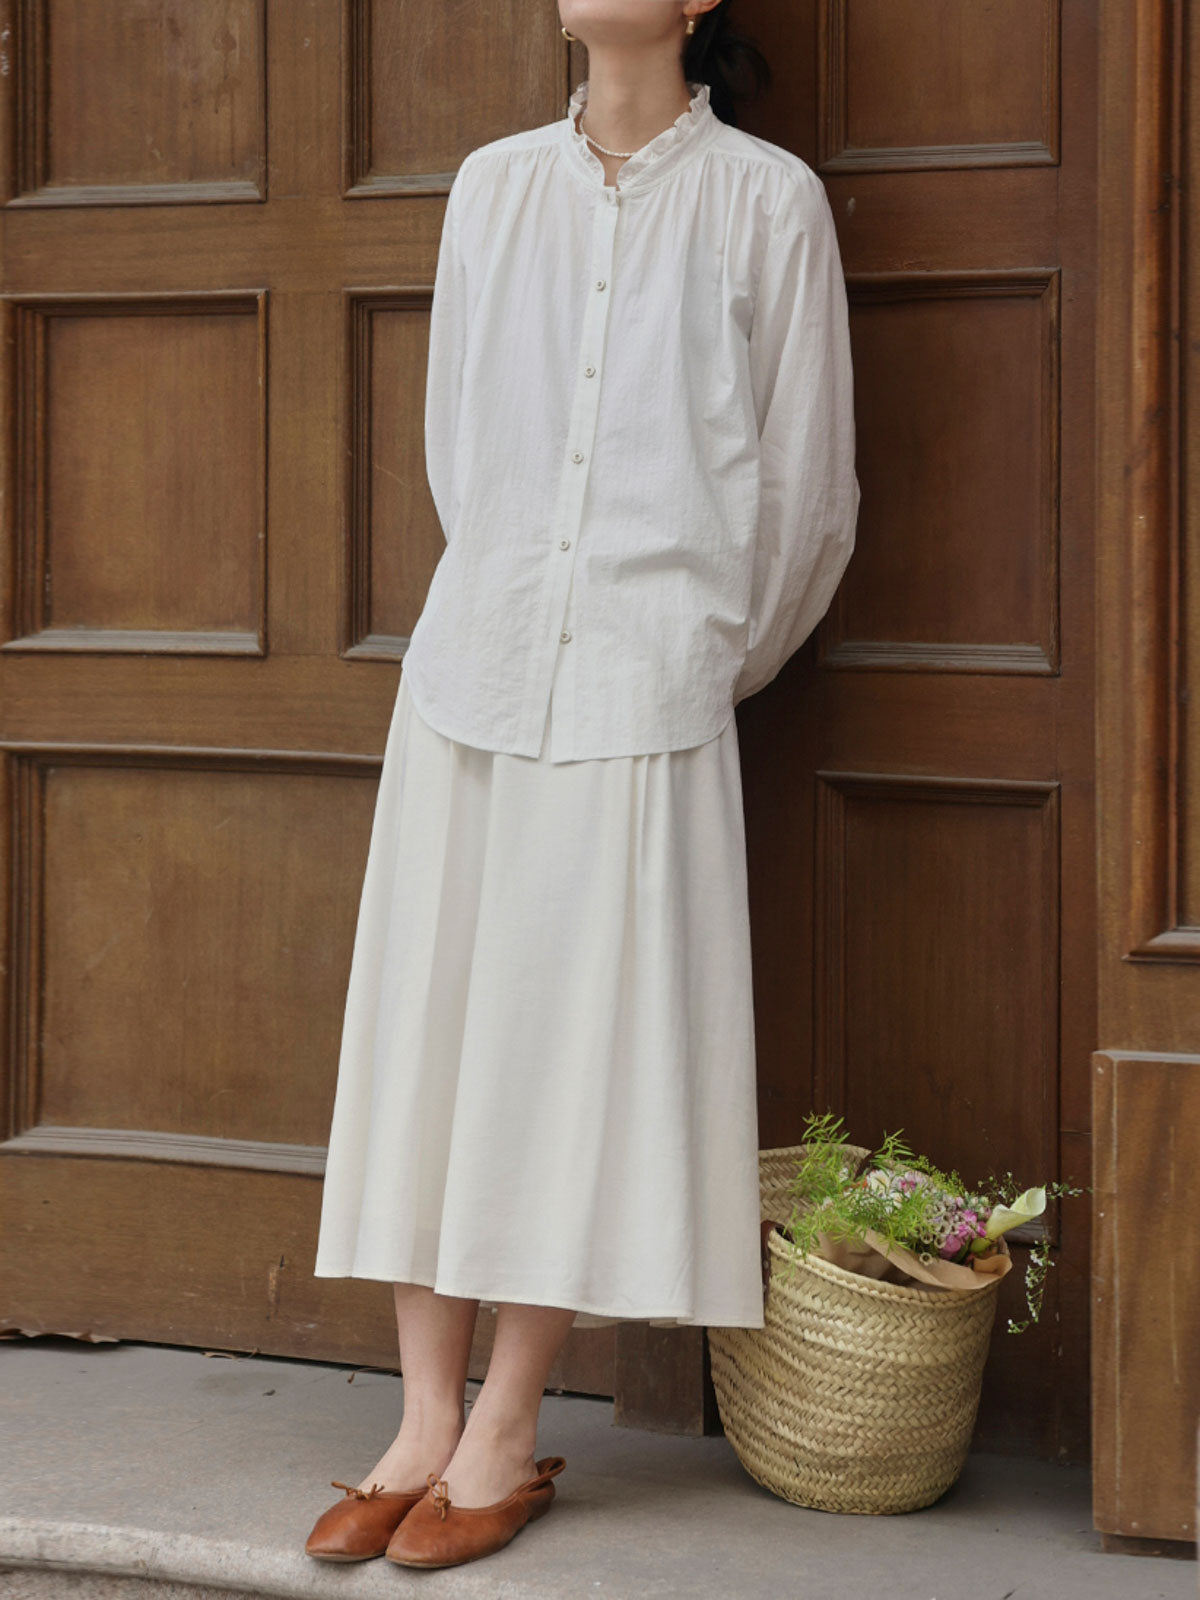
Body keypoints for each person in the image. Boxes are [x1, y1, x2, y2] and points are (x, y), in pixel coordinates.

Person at [304, 0, 860, 1572]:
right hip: (473, 671)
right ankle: (421, 1421)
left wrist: (693, 658)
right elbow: (459, 447)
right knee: (434, 1036)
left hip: (645, 690)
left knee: (572, 1057)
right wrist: (513, 602)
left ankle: (506, 1424)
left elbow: (808, 491)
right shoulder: (492, 189)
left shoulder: (768, 204)